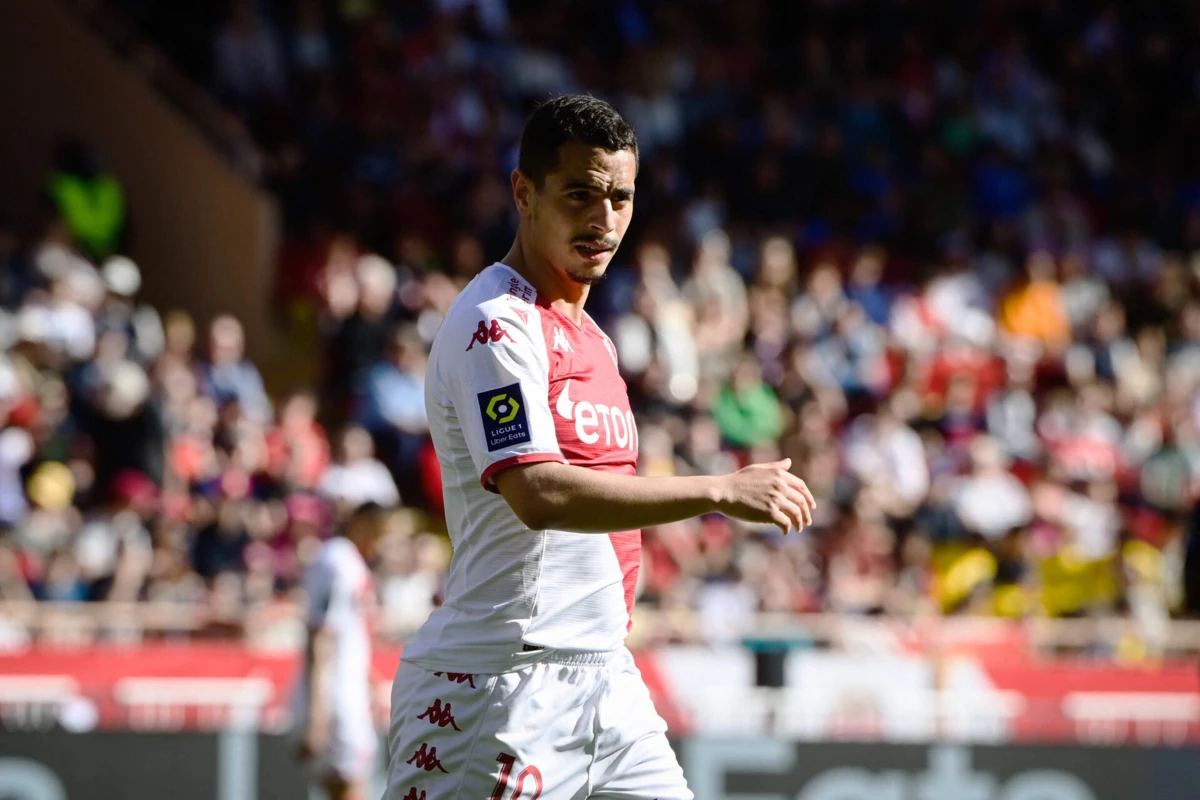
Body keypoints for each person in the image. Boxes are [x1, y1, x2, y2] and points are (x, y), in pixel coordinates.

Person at [385, 94, 815, 800]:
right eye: (580, 194)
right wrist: (718, 489)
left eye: (620, 197)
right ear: (524, 193)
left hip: (604, 681)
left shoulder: (596, 341)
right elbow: (539, 493)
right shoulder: (497, 326)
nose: (604, 219)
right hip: (497, 688)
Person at [295, 502, 386, 800]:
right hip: (336, 698)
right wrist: (317, 712)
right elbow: (321, 636)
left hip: (345, 692)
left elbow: (349, 633)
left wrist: (369, 681)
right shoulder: (337, 562)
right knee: (350, 786)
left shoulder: (350, 561)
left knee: (340, 787)